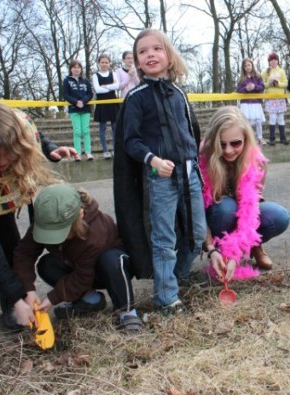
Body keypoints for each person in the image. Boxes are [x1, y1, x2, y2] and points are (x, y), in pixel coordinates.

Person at [115, 28, 205, 315]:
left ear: (168, 55)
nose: (150, 54)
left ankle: (175, 278)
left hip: (189, 175)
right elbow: (130, 141)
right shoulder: (136, 97)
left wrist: (195, 165)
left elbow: (191, 132)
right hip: (161, 179)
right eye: (143, 51)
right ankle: (166, 298)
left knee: (197, 234)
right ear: (138, 62)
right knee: (164, 239)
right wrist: (153, 160)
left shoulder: (179, 92)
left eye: (156, 49)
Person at [0, 103, 73, 330]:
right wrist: (20, 297)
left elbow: (37, 136)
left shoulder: (21, 126)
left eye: (7, 153)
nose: (1, 162)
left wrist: (50, 148)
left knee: (8, 241)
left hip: (6, 187)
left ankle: (8, 299)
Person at [13, 184, 141, 333]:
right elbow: (23, 253)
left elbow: (82, 278)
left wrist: (53, 298)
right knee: (46, 264)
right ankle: (90, 300)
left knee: (112, 261)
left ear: (79, 215)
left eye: (61, 232)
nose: (55, 238)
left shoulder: (95, 234)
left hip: (106, 271)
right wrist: (28, 290)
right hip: (76, 265)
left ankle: (127, 311)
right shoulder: (46, 221)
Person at [199, 106, 290, 279]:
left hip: (243, 219)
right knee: (226, 207)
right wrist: (210, 248)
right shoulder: (202, 159)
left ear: (246, 139)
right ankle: (219, 253)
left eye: (235, 143)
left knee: (280, 216)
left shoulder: (257, 162)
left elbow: (250, 210)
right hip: (217, 217)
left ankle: (253, 246)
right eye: (221, 144)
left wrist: (236, 251)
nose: (227, 150)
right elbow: (198, 211)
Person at [63, 59, 94, 161]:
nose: (76, 69)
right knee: (77, 131)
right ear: (71, 69)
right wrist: (76, 102)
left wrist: (83, 101)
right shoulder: (67, 80)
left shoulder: (85, 81)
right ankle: (77, 153)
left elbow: (90, 94)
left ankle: (88, 152)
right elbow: (65, 94)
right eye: (74, 67)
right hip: (73, 109)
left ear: (81, 69)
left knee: (85, 130)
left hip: (85, 109)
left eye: (78, 67)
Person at [92, 53, 120, 159]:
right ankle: (105, 150)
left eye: (106, 62)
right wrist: (111, 87)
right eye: (102, 62)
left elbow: (117, 86)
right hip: (102, 103)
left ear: (109, 63)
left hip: (113, 102)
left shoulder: (113, 73)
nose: (104, 64)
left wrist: (106, 86)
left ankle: (115, 149)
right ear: (99, 63)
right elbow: (97, 89)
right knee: (102, 127)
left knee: (115, 127)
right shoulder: (95, 75)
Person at [236, 58, 266, 145]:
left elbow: (262, 87)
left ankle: (260, 138)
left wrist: (254, 87)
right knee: (247, 122)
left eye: (249, 65)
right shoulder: (242, 78)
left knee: (258, 121)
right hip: (245, 103)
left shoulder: (258, 76)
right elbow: (238, 89)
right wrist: (246, 88)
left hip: (256, 102)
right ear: (243, 68)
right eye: (245, 66)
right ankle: (249, 139)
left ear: (252, 65)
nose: (247, 67)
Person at [261, 53, 288, 145]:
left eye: (275, 60)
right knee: (272, 118)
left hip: (280, 98)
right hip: (270, 98)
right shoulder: (265, 72)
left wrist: (278, 84)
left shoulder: (281, 71)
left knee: (281, 118)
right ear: (269, 62)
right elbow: (262, 84)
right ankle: (272, 139)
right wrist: (269, 84)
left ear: (277, 61)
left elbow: (285, 83)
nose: (273, 61)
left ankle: (283, 138)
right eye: (271, 60)